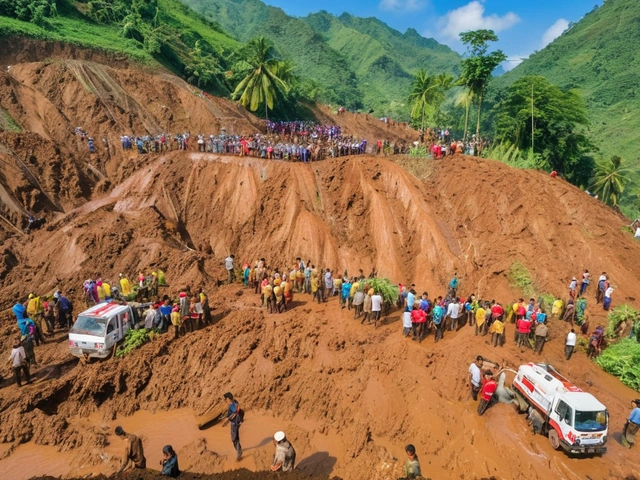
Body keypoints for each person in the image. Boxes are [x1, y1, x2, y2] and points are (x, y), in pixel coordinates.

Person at [223, 392, 243, 460]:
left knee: (234, 438)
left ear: (228, 399)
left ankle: (239, 452)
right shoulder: (235, 402)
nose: (226, 401)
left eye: (226, 399)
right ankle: (239, 451)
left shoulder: (232, 405)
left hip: (234, 423)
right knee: (236, 437)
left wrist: (228, 418)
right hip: (237, 423)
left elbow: (234, 411)